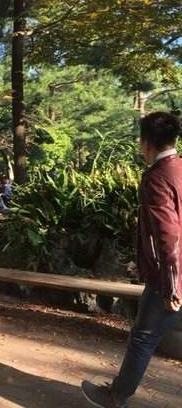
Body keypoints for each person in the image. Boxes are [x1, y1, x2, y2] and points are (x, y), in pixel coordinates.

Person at [81, 112, 182, 408]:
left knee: (142, 339)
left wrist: (172, 286)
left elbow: (168, 235)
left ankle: (116, 397)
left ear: (145, 143)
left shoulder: (157, 178)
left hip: (170, 277)